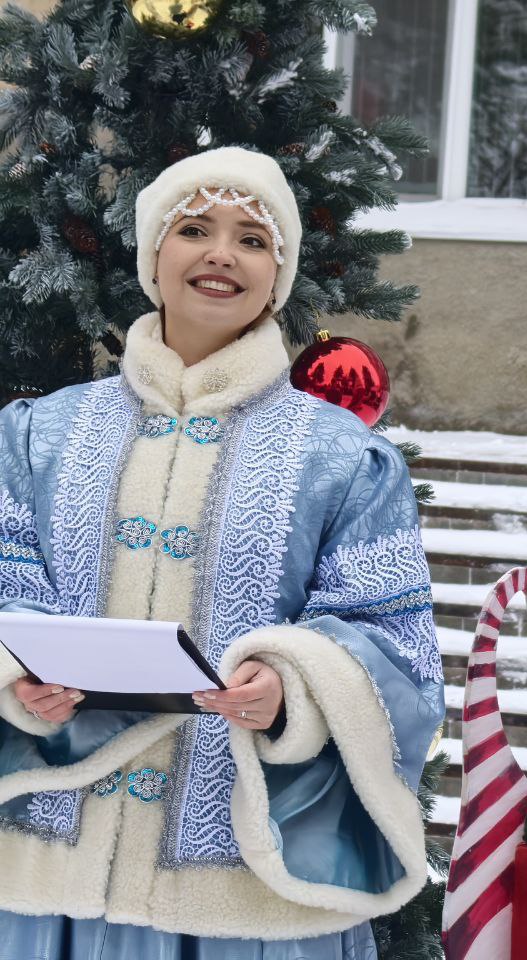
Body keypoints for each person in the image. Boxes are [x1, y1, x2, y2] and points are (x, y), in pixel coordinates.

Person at [0, 146, 444, 958]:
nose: (219, 254)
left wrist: (294, 690)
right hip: (43, 877)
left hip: (246, 892)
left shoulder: (343, 458)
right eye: (195, 229)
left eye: (252, 238)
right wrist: (17, 671)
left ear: (278, 275)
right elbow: (6, 573)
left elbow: (396, 643)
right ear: (152, 258)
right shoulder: (39, 435)